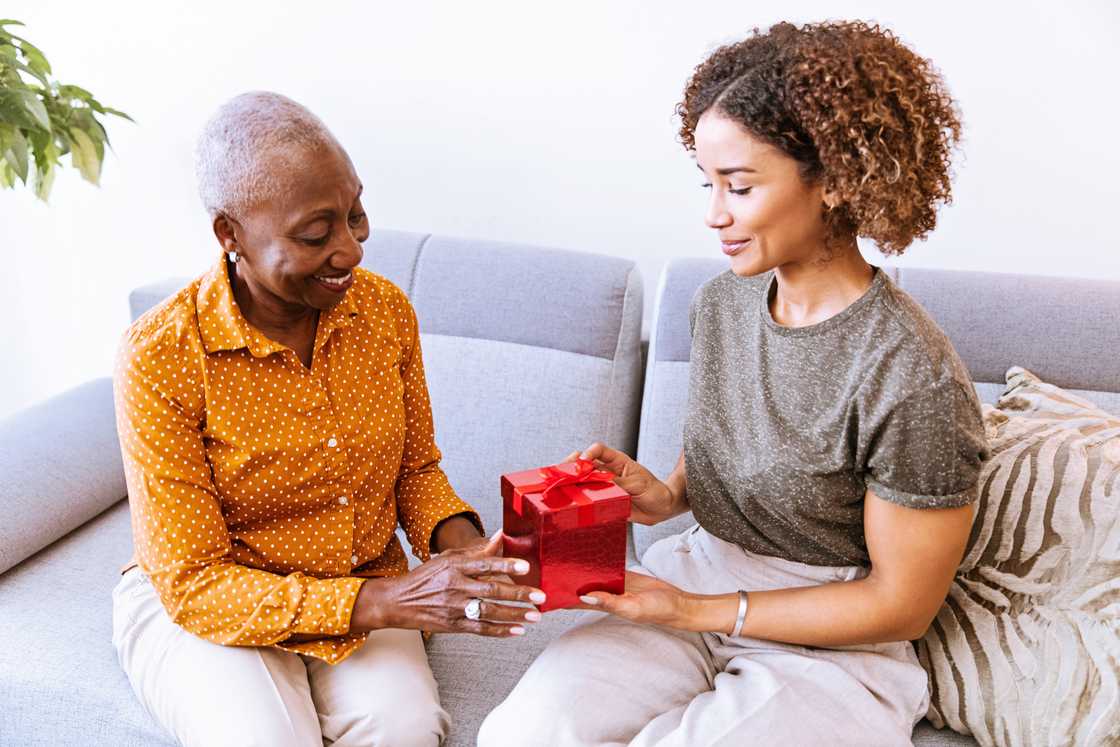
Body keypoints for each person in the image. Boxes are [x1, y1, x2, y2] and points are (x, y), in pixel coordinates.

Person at [479, 21, 989, 746]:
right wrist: (667, 495)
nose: (714, 214)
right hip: (701, 572)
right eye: (709, 183)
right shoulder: (723, 302)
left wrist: (692, 610)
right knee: (524, 733)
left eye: (740, 186)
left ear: (837, 182)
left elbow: (900, 603)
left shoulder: (914, 378)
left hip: (833, 642)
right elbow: (739, 434)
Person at [111, 91, 544, 747]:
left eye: (356, 215)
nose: (350, 250)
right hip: (210, 602)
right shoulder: (163, 355)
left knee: (407, 729)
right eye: (316, 235)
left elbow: (416, 471)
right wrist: (382, 603)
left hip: (363, 574)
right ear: (231, 234)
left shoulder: (384, 312)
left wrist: (465, 551)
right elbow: (194, 581)